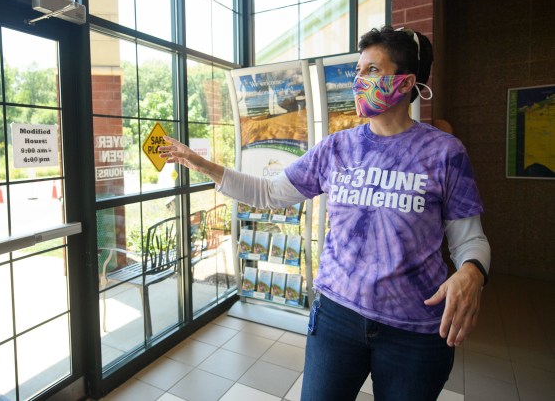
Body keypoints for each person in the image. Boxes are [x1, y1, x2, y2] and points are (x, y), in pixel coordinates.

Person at [159, 25, 490, 401]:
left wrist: (472, 273)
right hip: (337, 318)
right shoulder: (336, 148)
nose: (358, 80)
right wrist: (202, 165)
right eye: (358, 71)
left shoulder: (444, 153)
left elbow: (471, 240)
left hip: (414, 331)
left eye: (371, 71)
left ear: (405, 81)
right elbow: (269, 193)